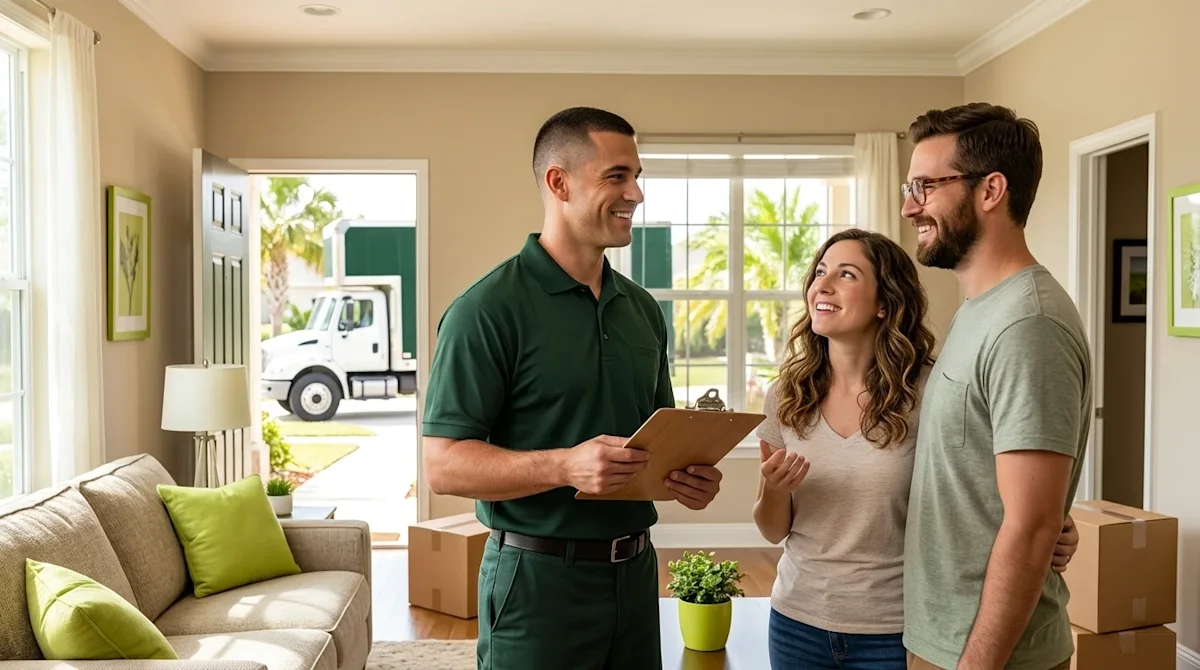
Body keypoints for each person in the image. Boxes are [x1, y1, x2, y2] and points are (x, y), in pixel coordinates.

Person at [420, 106, 723, 670]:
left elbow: (650, 444)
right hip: (537, 585)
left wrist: (685, 477)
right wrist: (563, 466)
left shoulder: (642, 312)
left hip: (634, 576)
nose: (636, 193)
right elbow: (443, 465)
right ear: (558, 182)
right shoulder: (485, 310)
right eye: (616, 176)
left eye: (637, 176)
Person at [753, 229, 1080, 670]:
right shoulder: (785, 396)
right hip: (796, 622)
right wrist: (774, 490)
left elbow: (985, 480)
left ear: (885, 302)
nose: (822, 286)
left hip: (894, 629)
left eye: (846, 274)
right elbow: (773, 529)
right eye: (820, 273)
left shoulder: (932, 393)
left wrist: (1055, 523)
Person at [900, 103, 1092, 670]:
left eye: (925, 187)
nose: (910, 206)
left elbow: (1032, 528)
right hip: (942, 638)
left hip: (988, 654)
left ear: (991, 191)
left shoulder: (1028, 324)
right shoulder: (980, 310)